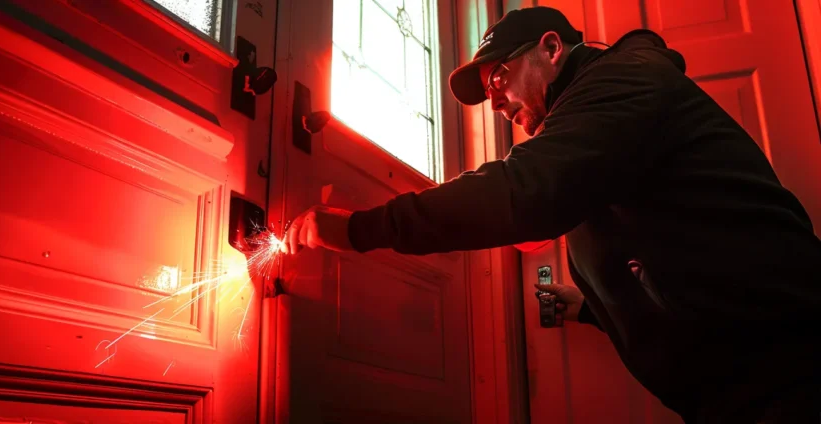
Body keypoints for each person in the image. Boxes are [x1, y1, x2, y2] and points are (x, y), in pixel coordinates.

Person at [281, 6, 821, 423]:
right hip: (741, 387)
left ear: (552, 48)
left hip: (788, 371)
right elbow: (661, 244)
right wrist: (590, 306)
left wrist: (358, 228)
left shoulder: (619, 86)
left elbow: (523, 192)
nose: (495, 101)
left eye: (499, 78)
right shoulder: (592, 119)